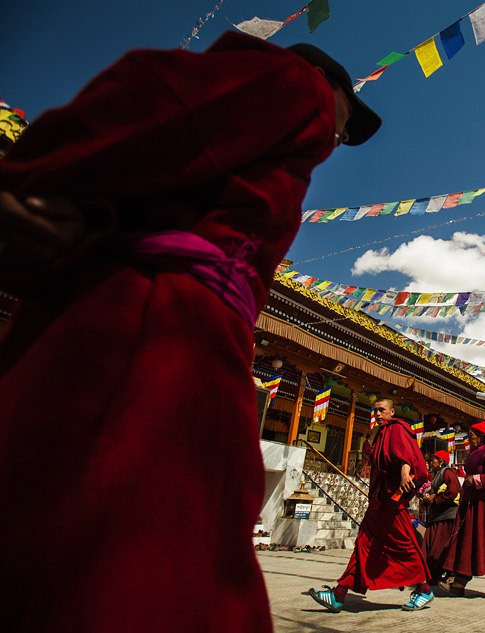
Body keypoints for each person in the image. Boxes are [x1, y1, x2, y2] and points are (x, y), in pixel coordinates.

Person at [0, 31, 380, 633]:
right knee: (149, 542)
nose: (339, 134)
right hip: (162, 328)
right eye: (346, 116)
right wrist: (33, 177)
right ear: (328, 85)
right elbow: (164, 107)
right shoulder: (295, 85)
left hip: (178, 320)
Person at [309, 399, 432, 612]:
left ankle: (424, 589)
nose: (377, 413)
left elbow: (405, 455)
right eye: (374, 410)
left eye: (381, 410)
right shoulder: (380, 434)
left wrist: (404, 473)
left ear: (392, 412)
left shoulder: (396, 429)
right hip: (379, 501)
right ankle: (339, 593)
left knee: (404, 545)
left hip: (393, 502)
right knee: (363, 544)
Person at [441, 420, 485, 599]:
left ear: (482, 437)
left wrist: (477, 480)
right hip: (475, 503)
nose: (470, 439)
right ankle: (458, 584)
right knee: (468, 542)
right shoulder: (474, 453)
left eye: (472, 436)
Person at [421, 449, 460, 585]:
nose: (431, 463)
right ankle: (431, 575)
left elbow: (453, 491)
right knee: (428, 547)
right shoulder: (437, 475)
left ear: (441, 462)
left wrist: (435, 498)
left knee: (437, 549)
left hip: (446, 516)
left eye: (433, 460)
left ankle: (438, 574)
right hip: (436, 516)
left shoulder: (447, 473)